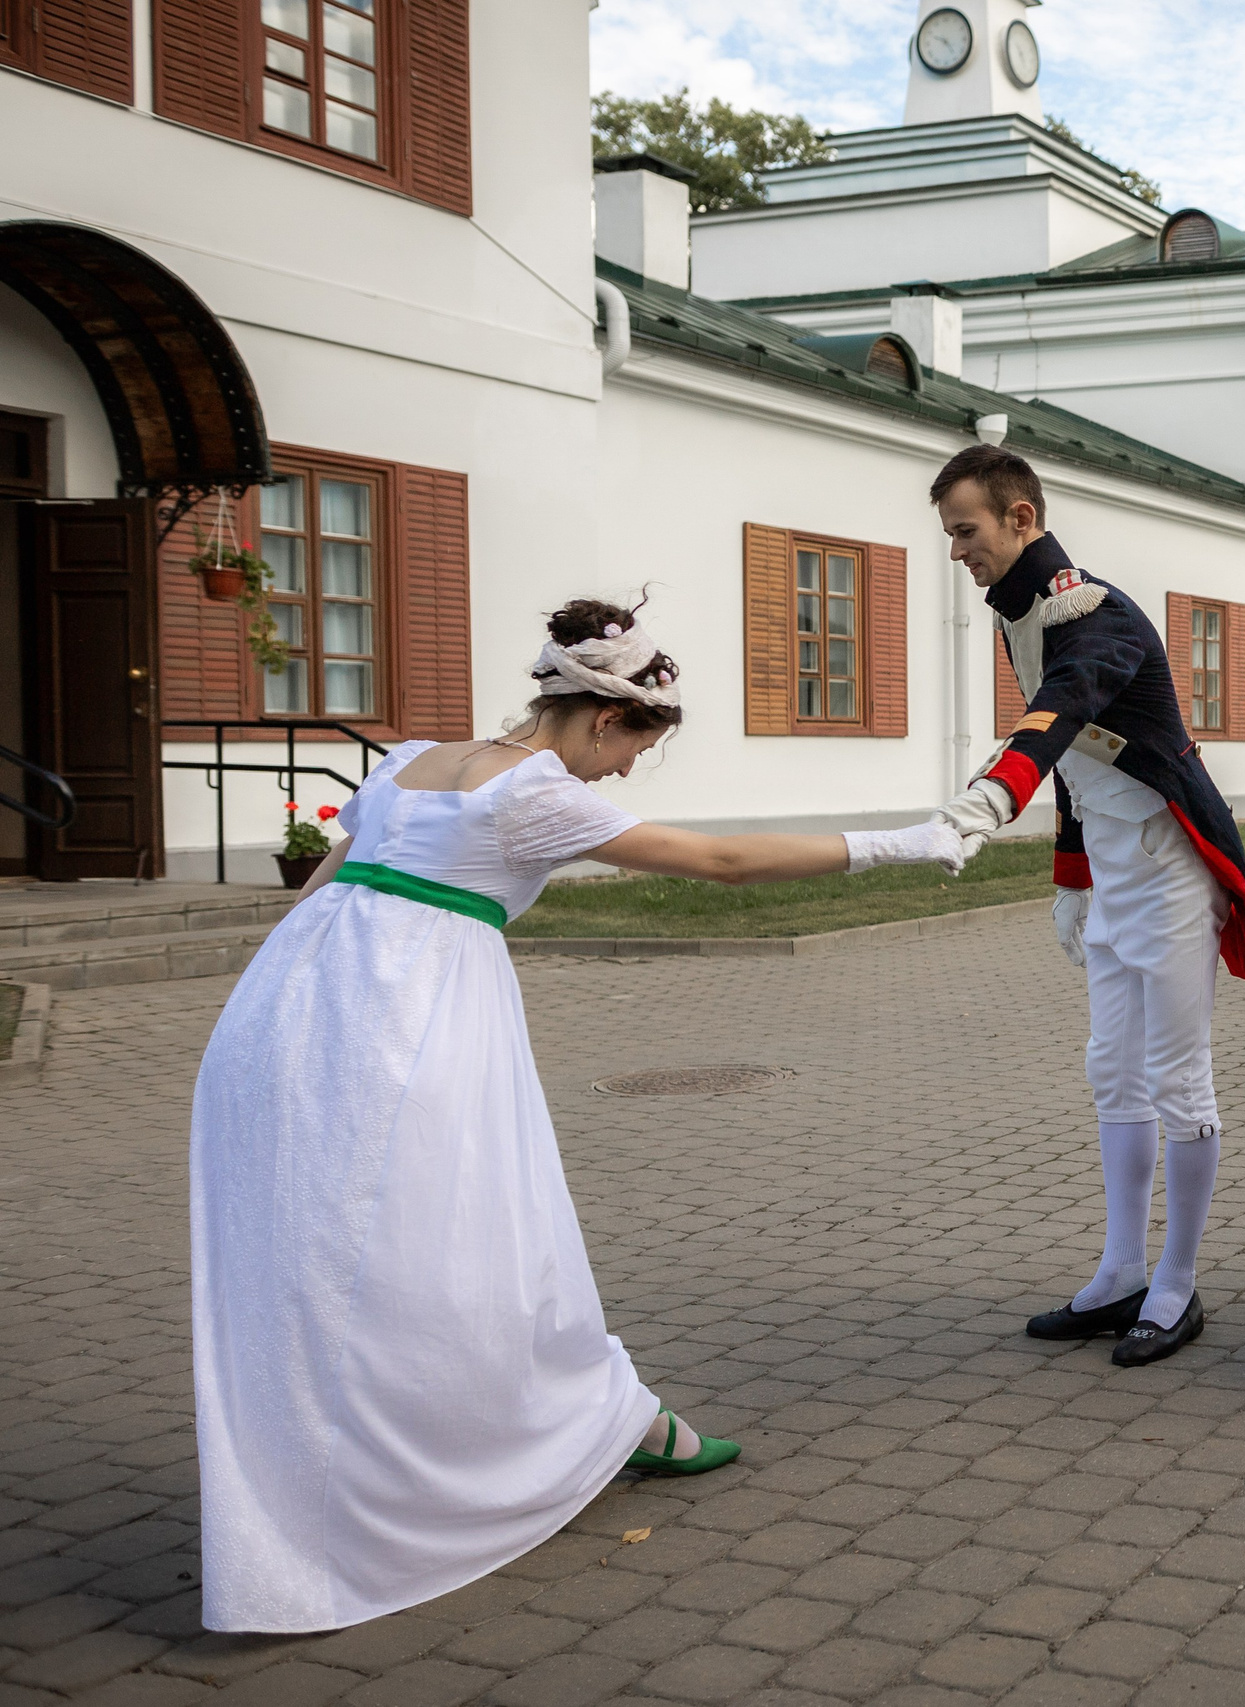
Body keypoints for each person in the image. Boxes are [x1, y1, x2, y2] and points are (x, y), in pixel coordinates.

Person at [191, 598, 964, 1633]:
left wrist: (275, 1004)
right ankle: (437, 1484)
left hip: (287, 1007)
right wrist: (908, 843)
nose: (626, 775)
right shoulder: (535, 795)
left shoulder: (412, 758)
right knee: (463, 1250)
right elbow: (723, 864)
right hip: (404, 1019)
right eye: (635, 751)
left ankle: (548, 1434)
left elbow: (327, 881)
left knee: (321, 1264)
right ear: (606, 721)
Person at [926, 444, 1245, 1366]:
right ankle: (1120, 1272)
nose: (957, 550)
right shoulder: (1026, 615)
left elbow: (1061, 712)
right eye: (951, 534)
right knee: (1110, 1071)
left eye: (967, 530)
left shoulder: (1095, 611)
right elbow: (1080, 769)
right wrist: (1072, 881)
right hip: (1113, 875)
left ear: (1021, 519)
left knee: (1177, 1078)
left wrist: (993, 796)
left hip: (1169, 870)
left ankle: (1179, 1282)